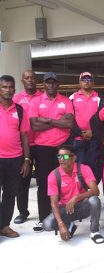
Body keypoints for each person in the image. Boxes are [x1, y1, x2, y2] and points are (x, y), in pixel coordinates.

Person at [29, 72, 74, 232]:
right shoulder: (36, 101)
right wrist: (58, 123)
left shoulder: (66, 101)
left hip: (63, 147)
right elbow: (34, 125)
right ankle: (43, 217)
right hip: (43, 149)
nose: (51, 85)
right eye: (48, 83)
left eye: (54, 82)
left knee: (65, 181)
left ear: (58, 84)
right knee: (43, 183)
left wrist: (47, 120)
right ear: (44, 85)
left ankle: (64, 216)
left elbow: (69, 123)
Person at [43, 145, 104, 244]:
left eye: (66, 157)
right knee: (47, 224)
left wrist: (76, 197)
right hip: (65, 209)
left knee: (94, 200)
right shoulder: (53, 175)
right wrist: (61, 224)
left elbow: (96, 191)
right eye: (59, 156)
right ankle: (69, 224)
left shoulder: (84, 169)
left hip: (82, 206)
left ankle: (94, 232)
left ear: (74, 158)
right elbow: (53, 203)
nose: (62, 159)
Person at [0, 75, 31, 238]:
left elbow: (25, 136)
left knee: (10, 194)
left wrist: (26, 159)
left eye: (11, 87)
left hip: (15, 159)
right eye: (5, 87)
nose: (8, 90)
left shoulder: (19, 110)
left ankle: (4, 225)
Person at [13, 70, 42, 224]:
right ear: (22, 80)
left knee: (43, 181)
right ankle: (23, 212)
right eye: (27, 78)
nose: (30, 80)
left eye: (32, 78)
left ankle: (46, 210)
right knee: (23, 180)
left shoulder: (43, 97)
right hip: (24, 146)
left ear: (35, 80)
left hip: (42, 144)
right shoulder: (16, 99)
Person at [69, 72, 104, 183]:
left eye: (89, 79)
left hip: (95, 140)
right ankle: (81, 194)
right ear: (79, 82)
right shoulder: (72, 98)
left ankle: (92, 193)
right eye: (84, 79)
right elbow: (70, 119)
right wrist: (80, 133)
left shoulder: (100, 98)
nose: (86, 82)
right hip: (78, 140)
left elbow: (103, 120)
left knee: (95, 168)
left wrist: (94, 133)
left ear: (93, 82)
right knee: (79, 168)